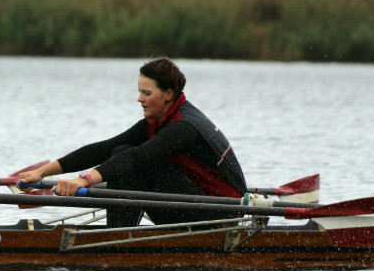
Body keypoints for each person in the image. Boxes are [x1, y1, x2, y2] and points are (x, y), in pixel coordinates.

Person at [19, 57, 246, 227]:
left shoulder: (184, 127)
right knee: (119, 150)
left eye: (146, 93)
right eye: (139, 92)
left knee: (132, 161)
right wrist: (42, 172)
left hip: (220, 215)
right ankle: (119, 235)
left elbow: (136, 158)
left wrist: (82, 180)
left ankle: (117, 241)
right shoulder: (157, 121)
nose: (139, 99)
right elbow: (104, 148)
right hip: (198, 204)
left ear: (168, 94)